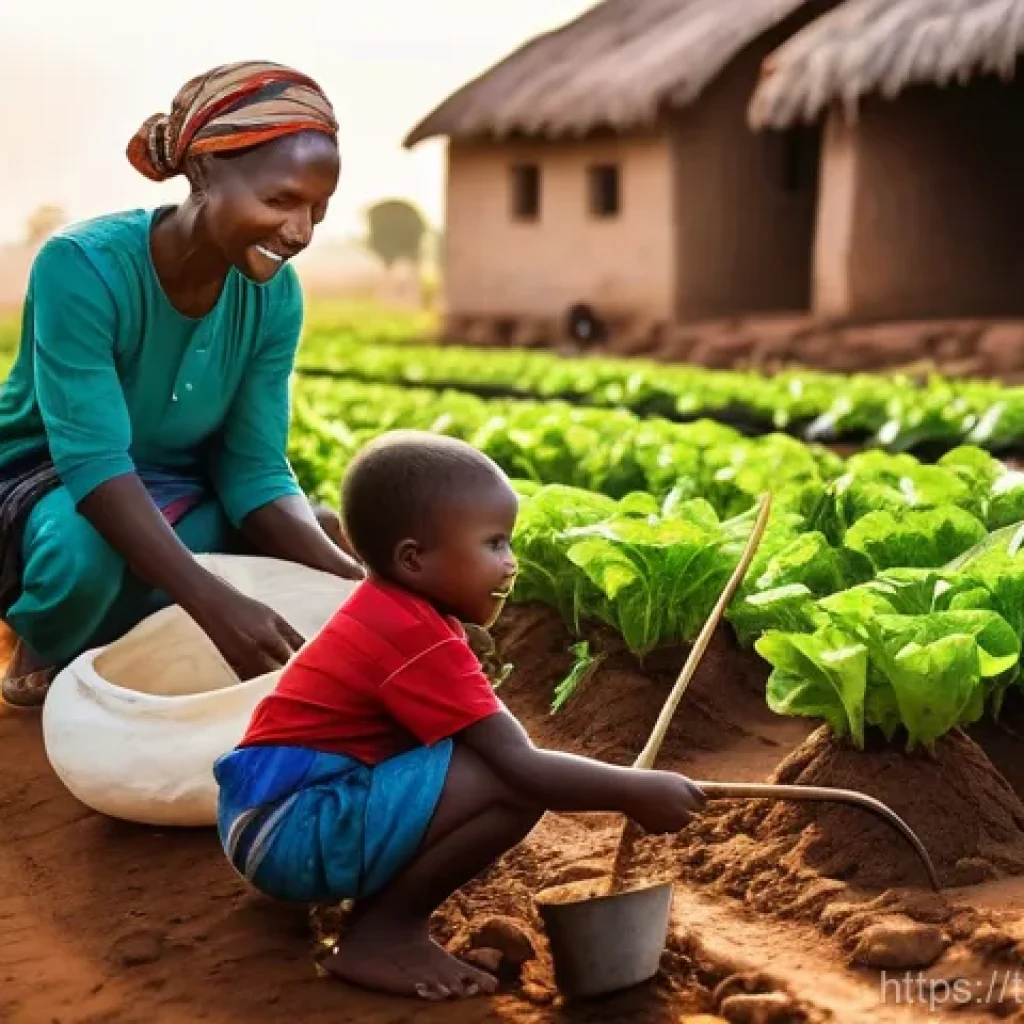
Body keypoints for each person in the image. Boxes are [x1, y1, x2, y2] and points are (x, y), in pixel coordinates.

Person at [213, 431, 706, 1002]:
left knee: (478, 758)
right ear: (413, 559)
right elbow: (521, 766)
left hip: (269, 817)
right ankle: (383, 933)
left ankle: (369, 894)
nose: (510, 563)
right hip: (288, 832)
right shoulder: (416, 638)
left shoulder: (392, 611)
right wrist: (633, 790)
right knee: (506, 782)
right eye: (493, 544)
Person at [0, 61, 365, 707]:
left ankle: (121, 641)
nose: (301, 231)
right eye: (279, 200)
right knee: (83, 562)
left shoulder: (274, 297)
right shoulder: (82, 266)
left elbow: (254, 469)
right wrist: (211, 600)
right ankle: (46, 639)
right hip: (51, 476)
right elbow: (93, 459)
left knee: (319, 539)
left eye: (318, 208)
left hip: (178, 483)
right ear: (201, 176)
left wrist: (367, 592)